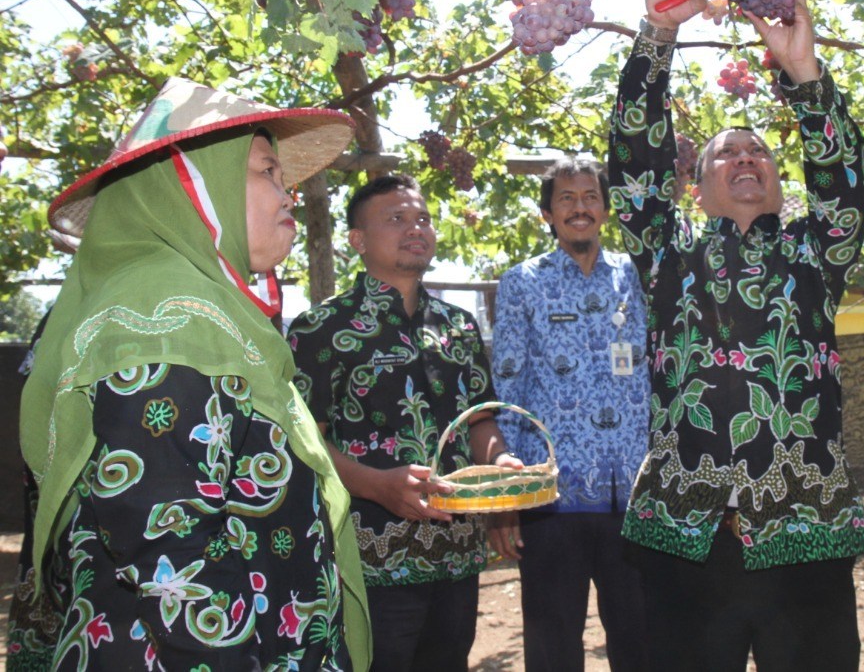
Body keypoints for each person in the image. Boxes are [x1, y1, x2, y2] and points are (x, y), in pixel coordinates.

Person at [12, 77, 370, 669]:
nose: (290, 195)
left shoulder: (208, 312)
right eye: (264, 172)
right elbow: (169, 542)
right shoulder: (163, 317)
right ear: (193, 186)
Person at [609, 0, 864, 671]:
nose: (746, 156)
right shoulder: (667, 256)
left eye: (759, 149)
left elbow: (846, 184)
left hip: (807, 532)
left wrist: (805, 74)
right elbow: (634, 167)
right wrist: (657, 34)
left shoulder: (817, 256)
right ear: (696, 193)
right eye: (726, 153)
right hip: (685, 539)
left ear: (781, 187)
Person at [288, 174, 517, 672]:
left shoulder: (459, 326)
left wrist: (501, 461)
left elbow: (479, 420)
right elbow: (304, 444)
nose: (416, 228)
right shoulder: (321, 329)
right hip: (367, 561)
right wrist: (375, 485)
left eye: (423, 218)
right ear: (357, 240)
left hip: (458, 555)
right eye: (396, 218)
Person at [487, 158, 650, 672]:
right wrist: (504, 498)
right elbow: (507, 389)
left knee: (642, 639)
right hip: (550, 497)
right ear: (547, 214)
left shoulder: (635, 276)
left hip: (631, 494)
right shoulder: (522, 283)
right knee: (552, 641)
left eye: (590, 196)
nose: (579, 207)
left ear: (605, 208)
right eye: (566, 198)